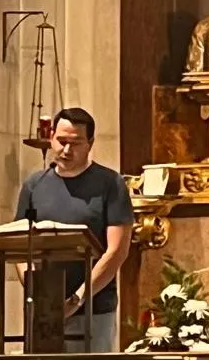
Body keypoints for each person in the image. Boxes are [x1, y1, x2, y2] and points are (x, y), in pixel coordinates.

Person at [14, 108, 134, 352]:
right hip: (46, 312)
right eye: (61, 141)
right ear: (51, 138)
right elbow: (18, 245)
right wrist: (36, 292)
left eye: (76, 143)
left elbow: (116, 252)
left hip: (94, 308)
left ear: (90, 144)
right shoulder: (34, 186)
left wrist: (77, 298)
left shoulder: (111, 184)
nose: (67, 150)